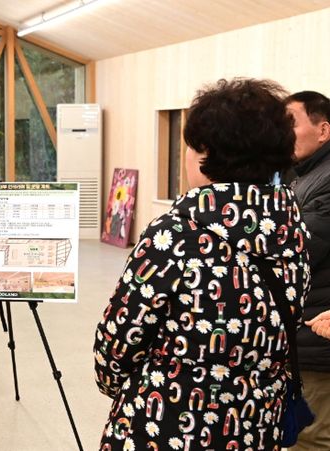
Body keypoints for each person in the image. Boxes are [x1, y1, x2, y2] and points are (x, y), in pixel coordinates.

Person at [93, 78, 311, 450]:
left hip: (168, 425)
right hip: (257, 425)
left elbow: (119, 343)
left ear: (205, 152)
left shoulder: (175, 234)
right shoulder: (292, 229)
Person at [285, 90, 330, 451]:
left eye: (291, 123)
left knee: (312, 439)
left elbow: (298, 249)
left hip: (319, 338)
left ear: (323, 130)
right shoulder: (300, 174)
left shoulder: (325, 180)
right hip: (305, 334)